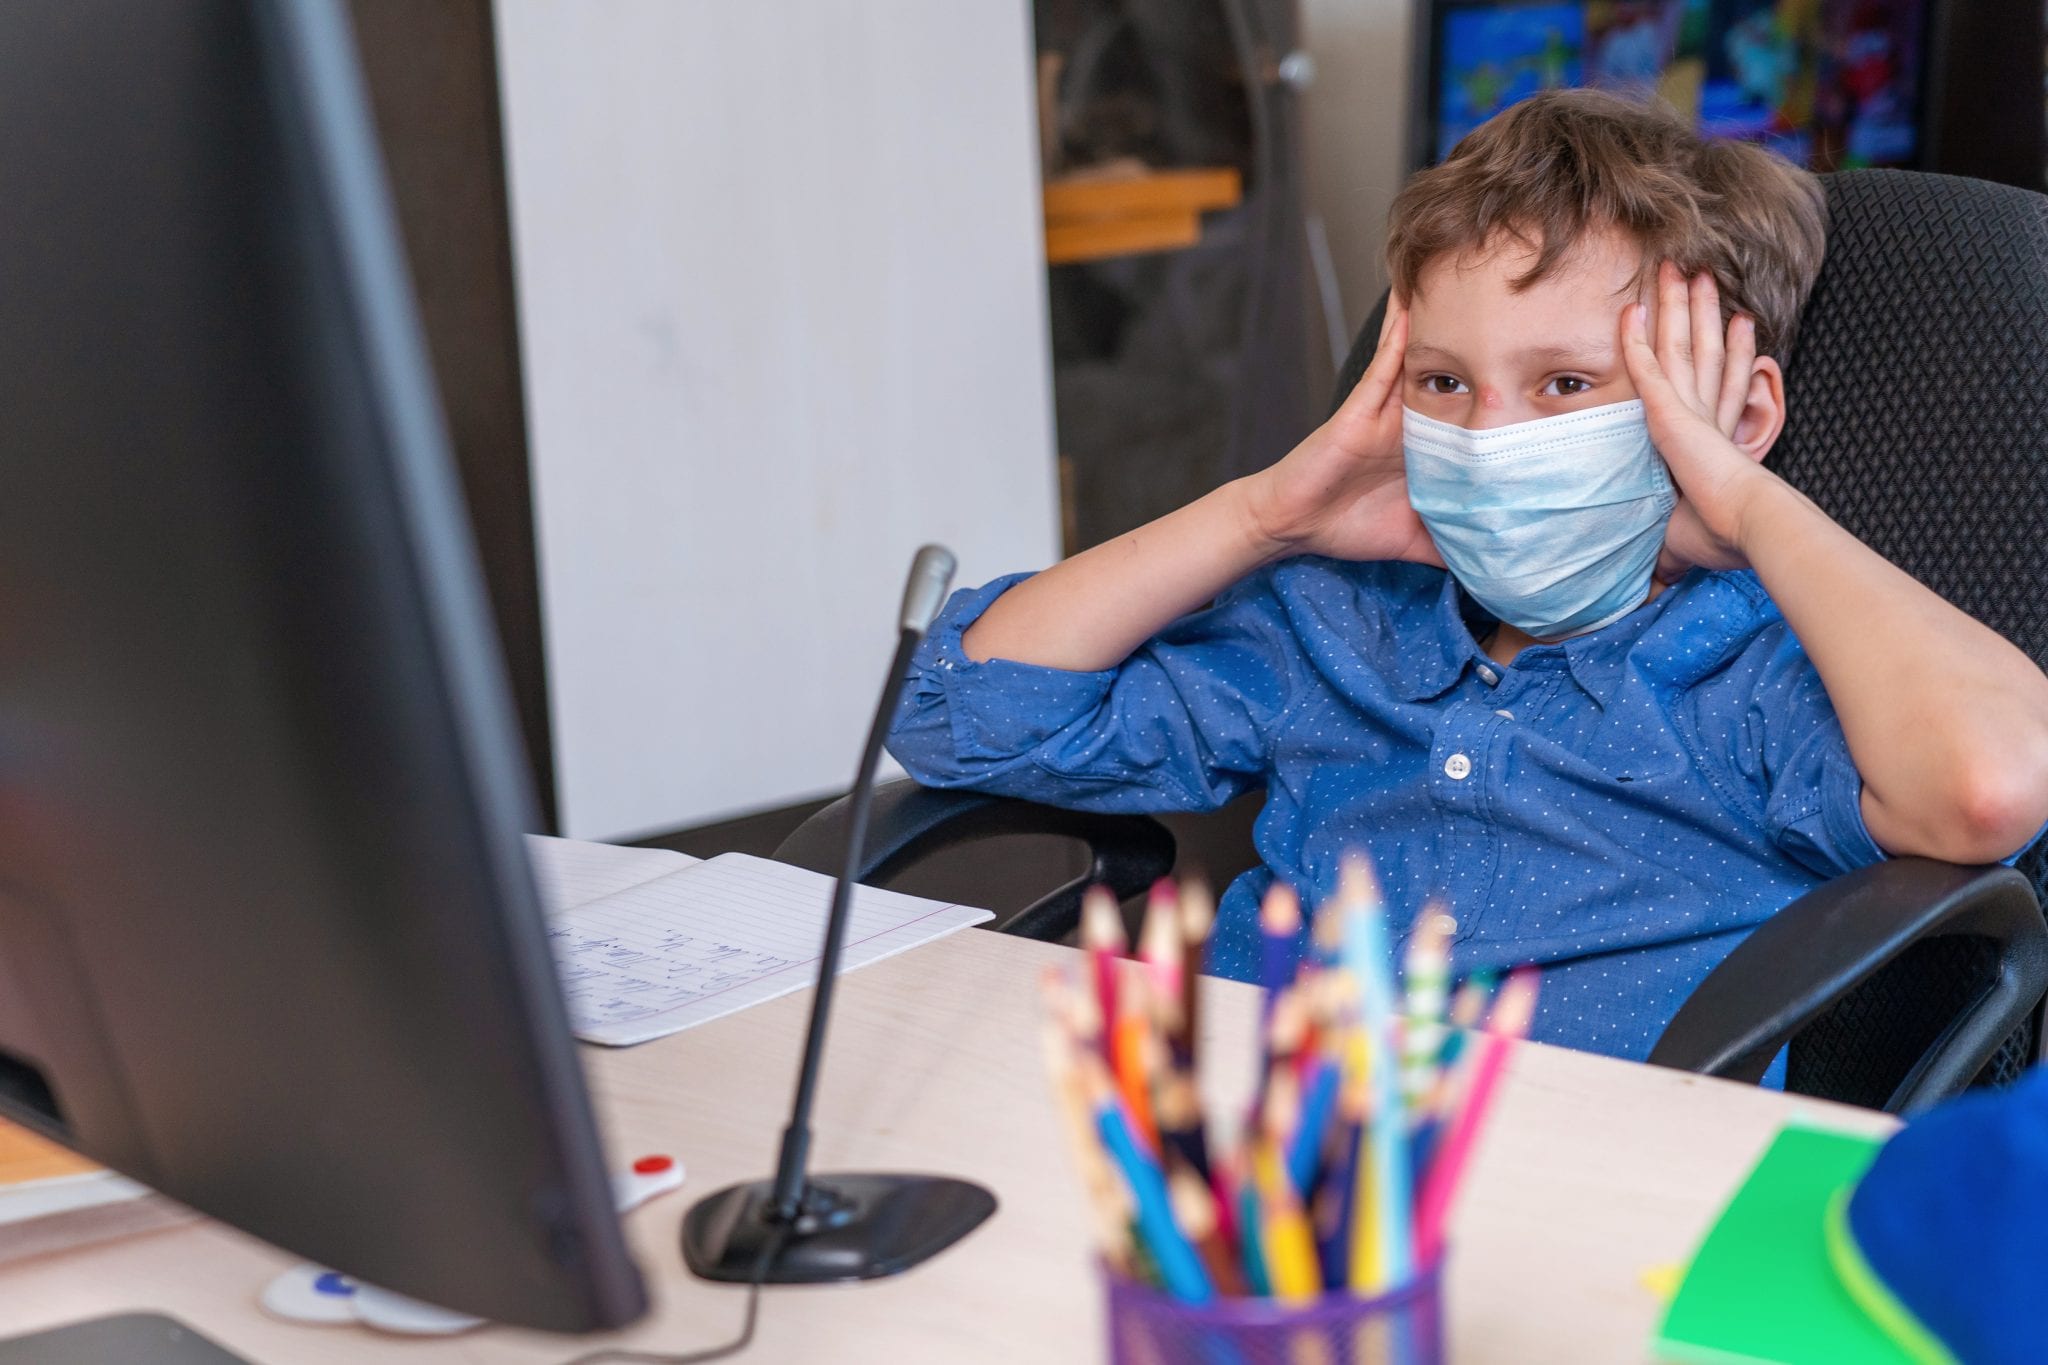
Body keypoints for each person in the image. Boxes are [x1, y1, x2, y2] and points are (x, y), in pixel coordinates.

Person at [887, 90, 2048, 1063]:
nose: (1489, 436)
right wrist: (1259, 516)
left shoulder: (1757, 670)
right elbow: (957, 713)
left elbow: (1989, 787)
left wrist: (1742, 504)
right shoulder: (1335, 621)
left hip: (1567, 1192)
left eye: (1562, 385)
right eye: (1443, 384)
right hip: (1247, 1150)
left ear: (1735, 413)